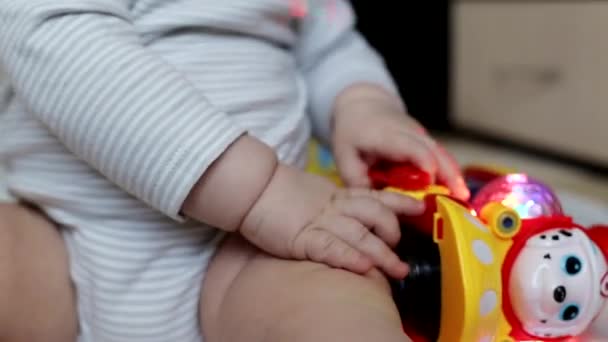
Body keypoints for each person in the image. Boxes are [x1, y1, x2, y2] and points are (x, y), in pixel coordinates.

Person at [0, 1, 469, 341]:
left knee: (338, 288)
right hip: (55, 232)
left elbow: (326, 45)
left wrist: (363, 104)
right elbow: (53, 36)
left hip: (246, 254)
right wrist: (260, 190)